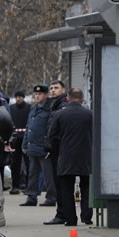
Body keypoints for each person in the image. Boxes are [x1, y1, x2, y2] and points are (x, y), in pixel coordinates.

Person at [47, 88, 93, 227]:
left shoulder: (60, 114)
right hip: (86, 156)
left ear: (68, 98)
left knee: (66, 189)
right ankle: (87, 217)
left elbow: (52, 135)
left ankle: (71, 219)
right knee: (86, 187)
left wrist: (56, 149)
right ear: (82, 99)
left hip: (65, 156)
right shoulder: (90, 114)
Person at [20, 85, 53, 207]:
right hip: (32, 146)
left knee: (48, 174)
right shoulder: (34, 108)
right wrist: (25, 144)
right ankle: (31, 197)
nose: (37, 96)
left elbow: (50, 129)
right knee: (32, 174)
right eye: (35, 94)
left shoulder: (49, 109)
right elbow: (29, 127)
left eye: (40, 94)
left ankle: (51, 197)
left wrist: (48, 145)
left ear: (45, 95)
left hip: (43, 147)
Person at [42, 80, 69, 224]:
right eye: (51, 88)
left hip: (58, 150)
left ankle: (62, 214)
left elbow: (56, 130)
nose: (53, 90)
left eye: (56, 88)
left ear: (63, 90)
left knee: (60, 183)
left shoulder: (62, 106)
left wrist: (51, 146)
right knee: (58, 183)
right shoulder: (55, 106)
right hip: (56, 150)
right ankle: (62, 213)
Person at [8, 90, 30, 194]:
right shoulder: (11, 108)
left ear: (23, 97)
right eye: (17, 97)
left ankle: (28, 186)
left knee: (28, 163)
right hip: (15, 138)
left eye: (20, 97)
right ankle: (15, 186)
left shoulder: (29, 108)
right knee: (15, 163)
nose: (18, 99)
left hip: (25, 138)